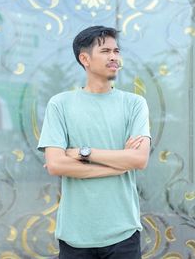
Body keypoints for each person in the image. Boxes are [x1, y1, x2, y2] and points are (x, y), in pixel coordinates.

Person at [37, 25, 151, 259]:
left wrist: (80, 152)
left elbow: (139, 159)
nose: (114, 57)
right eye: (106, 51)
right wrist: (120, 164)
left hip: (123, 233)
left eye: (116, 51)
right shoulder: (60, 104)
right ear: (85, 59)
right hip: (75, 235)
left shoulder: (134, 104)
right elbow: (57, 165)